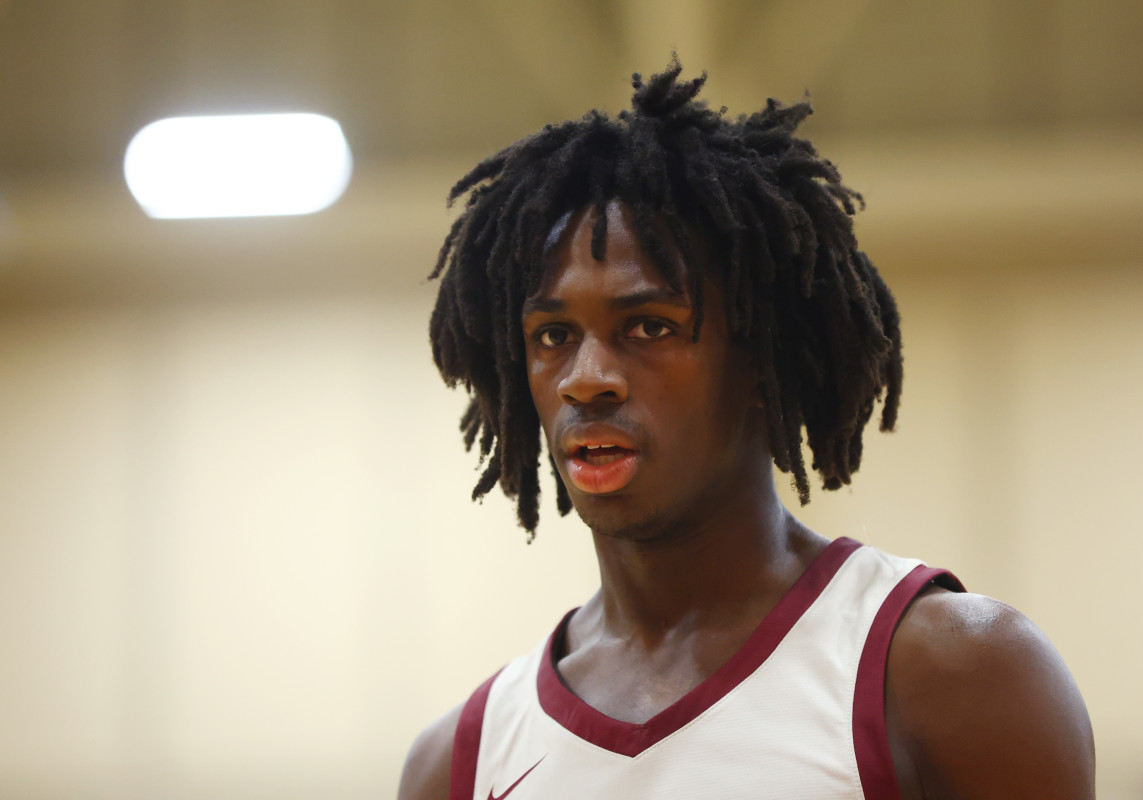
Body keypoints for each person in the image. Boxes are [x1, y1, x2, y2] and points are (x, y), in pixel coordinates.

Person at [400, 59, 1095, 799]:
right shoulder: (462, 761)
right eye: (553, 336)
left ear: (762, 360)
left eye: (648, 325)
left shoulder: (952, 675)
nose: (586, 376)